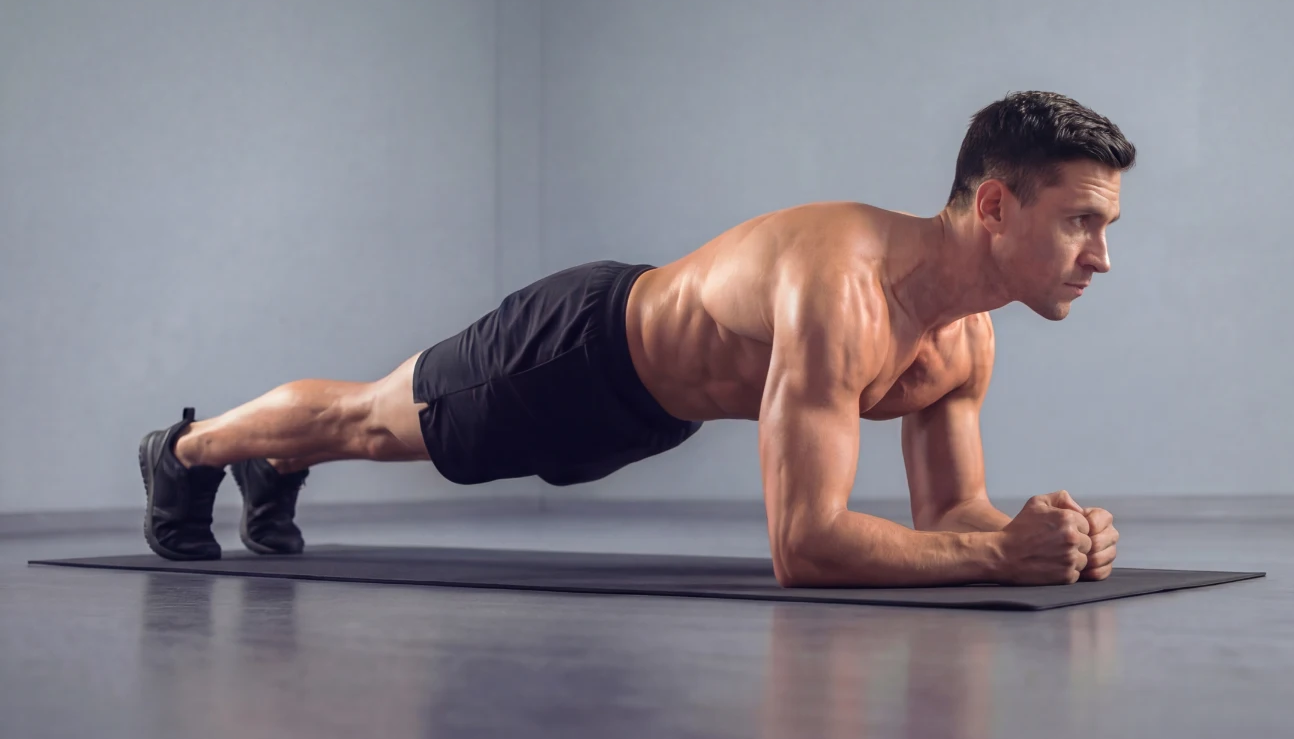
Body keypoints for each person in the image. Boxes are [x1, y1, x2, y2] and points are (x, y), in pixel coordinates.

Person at [138, 90, 1132, 588]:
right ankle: (184, 452)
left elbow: (952, 509)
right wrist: (1001, 561)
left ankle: (272, 468)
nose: (1099, 256)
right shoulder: (844, 287)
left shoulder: (963, 342)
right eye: (1080, 222)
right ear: (995, 205)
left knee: (372, 427)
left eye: (1106, 229)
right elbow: (805, 546)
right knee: (366, 421)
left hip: (651, 415)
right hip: (574, 353)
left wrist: (1035, 539)